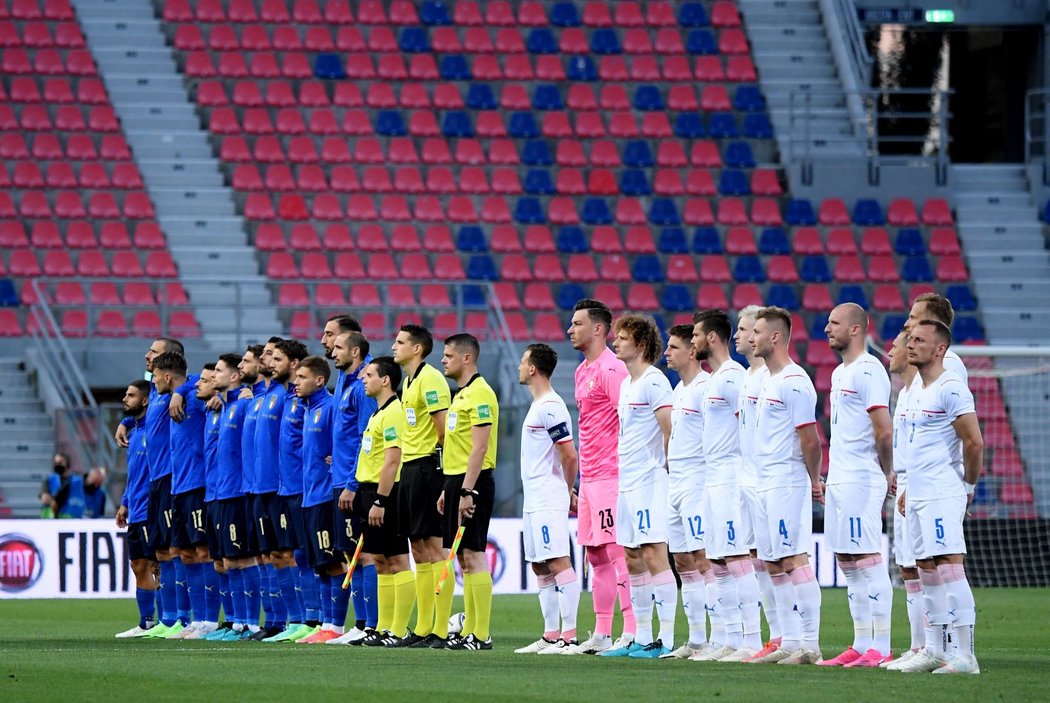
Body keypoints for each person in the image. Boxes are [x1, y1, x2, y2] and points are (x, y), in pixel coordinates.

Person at [893, 320, 984, 675]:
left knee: (949, 567)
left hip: (943, 491)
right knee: (925, 569)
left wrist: (967, 488)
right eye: (910, 339)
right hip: (917, 493)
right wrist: (909, 487)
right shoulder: (914, 390)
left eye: (919, 340)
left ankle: (966, 655)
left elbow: (973, 442)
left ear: (940, 348)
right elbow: (920, 448)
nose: (911, 344)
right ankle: (934, 648)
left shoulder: (951, 387)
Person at [819, 304, 895, 668]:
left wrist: (888, 470)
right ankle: (861, 642)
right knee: (848, 561)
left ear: (855, 329)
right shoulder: (839, 373)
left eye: (834, 323)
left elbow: (882, 428)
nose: (826, 329)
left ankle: (881, 645)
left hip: (861, 477)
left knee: (866, 557)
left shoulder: (869, 370)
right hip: (840, 475)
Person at [747, 307, 824, 665]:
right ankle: (790, 641)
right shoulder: (767, 381)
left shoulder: (794, 380)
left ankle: (810, 643)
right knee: (773, 562)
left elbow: (809, 439)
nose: (752, 338)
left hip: (786, 481)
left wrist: (813, 480)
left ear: (775, 337)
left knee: (793, 558)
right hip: (764, 481)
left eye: (758, 332)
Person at [563, 299, 636, 656]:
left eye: (577, 324)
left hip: (612, 473)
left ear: (597, 329)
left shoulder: (612, 370)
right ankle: (603, 633)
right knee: (594, 555)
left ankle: (633, 631)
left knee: (616, 551)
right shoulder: (581, 371)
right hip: (590, 476)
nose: (569, 329)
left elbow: (631, 421)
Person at [601, 314, 675, 659]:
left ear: (641, 344)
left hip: (649, 481)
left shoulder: (654, 381)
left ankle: (667, 639)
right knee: (632, 557)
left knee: (653, 555)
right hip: (627, 482)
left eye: (622, 338)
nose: (615, 342)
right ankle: (641, 637)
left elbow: (669, 429)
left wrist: (666, 469)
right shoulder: (628, 384)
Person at [692, 310, 763, 662]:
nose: (692, 342)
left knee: (736, 557)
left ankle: (751, 638)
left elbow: (747, 427)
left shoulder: (733, 377)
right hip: (713, 478)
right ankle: (729, 638)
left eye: (696, 335)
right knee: (717, 561)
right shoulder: (715, 378)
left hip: (732, 476)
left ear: (712, 338)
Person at [513, 344, 581, 654]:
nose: (519, 366)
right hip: (534, 497)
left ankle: (570, 636)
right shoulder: (538, 404)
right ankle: (551, 634)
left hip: (548, 495)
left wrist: (567, 491)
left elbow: (569, 455)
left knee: (556, 559)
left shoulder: (551, 406)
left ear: (533, 369)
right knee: (540, 565)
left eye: (523, 361)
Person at [391, 323, 453, 648]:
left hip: (428, 467)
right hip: (410, 468)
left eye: (400, 342)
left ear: (417, 348)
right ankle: (424, 625)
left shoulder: (431, 379)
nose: (393, 346)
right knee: (418, 548)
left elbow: (442, 429)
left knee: (433, 546)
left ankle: (440, 629)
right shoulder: (408, 381)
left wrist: (440, 473)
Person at [438, 334, 499, 651]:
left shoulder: (480, 394)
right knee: (462, 556)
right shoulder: (461, 396)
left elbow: (480, 447)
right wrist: (449, 488)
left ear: (466, 358)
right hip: (456, 481)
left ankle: (480, 633)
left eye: (448, 355)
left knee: (474, 554)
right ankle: (470, 631)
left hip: (472, 482)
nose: (443, 360)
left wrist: (467, 490)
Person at [152, 352, 218, 640]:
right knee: (186, 553)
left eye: (155, 376)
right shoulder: (172, 398)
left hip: (198, 484)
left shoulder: (194, 395)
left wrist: (181, 391)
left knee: (203, 551)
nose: (153, 382)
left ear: (168, 376)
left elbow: (201, 383)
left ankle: (210, 621)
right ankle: (197, 618)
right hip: (178, 488)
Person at [656, 325, 711, 660]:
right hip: (675, 483)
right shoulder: (679, 390)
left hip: (697, 483)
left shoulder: (706, 388)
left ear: (692, 351)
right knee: (682, 561)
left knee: (703, 559)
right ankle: (696, 639)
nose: (667, 353)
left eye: (673, 347)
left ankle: (719, 637)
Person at [354, 357, 415, 647]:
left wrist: (381, 499)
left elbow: (393, 459)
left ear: (386, 380)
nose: (363, 379)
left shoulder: (393, 413)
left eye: (369, 375)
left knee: (397, 559)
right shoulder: (377, 414)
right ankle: (384, 626)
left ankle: (399, 629)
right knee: (379, 560)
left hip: (384, 494)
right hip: (369, 493)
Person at [260, 339, 316, 643]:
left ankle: (315, 619)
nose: (270, 362)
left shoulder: (304, 400)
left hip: (302, 488)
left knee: (304, 555)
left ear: (294, 364)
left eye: (276, 358)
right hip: (281, 488)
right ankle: (293, 620)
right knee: (284, 554)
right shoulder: (279, 396)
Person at [322, 331, 376, 645]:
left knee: (364, 554)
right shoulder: (346, 380)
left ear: (354, 351)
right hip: (340, 478)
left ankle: (369, 624)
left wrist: (353, 483)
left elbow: (366, 438)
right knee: (349, 554)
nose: (332, 349)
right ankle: (362, 624)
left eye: (338, 345)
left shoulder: (362, 384)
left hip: (352, 483)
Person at [734, 305, 780, 661]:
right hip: (745, 477)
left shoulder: (771, 377)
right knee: (755, 559)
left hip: (768, 480)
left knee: (775, 557)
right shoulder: (748, 377)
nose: (742, 335)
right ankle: (771, 635)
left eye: (747, 329)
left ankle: (785, 635)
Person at [294, 355, 349, 644]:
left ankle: (336, 626)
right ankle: (326, 623)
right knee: (318, 563)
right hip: (309, 497)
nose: (295, 383)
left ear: (318, 380)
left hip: (326, 495)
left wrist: (334, 464)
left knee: (332, 562)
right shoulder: (307, 409)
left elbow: (340, 445)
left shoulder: (328, 408)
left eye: (301, 377)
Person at [209, 352, 263, 641]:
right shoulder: (223, 407)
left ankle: (249, 622)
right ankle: (235, 621)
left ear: (233, 377)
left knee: (242, 559)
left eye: (218, 371)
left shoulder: (243, 405)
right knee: (226, 562)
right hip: (220, 492)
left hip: (238, 492)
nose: (212, 376)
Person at [883, 331, 927, 669]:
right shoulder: (905, 392)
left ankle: (943, 646)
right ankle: (918, 646)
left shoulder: (926, 391)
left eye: (896, 345)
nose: (892, 351)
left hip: (923, 485)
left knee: (932, 567)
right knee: (908, 567)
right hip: (904, 485)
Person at [249, 336, 290, 640]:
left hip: (279, 487)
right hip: (256, 487)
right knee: (267, 555)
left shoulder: (284, 394)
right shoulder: (256, 397)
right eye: (265, 355)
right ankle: (274, 620)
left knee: (287, 553)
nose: (267, 360)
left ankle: (298, 619)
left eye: (273, 356)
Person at [115, 380, 156, 638]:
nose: (124, 399)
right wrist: (125, 502)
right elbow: (135, 475)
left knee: (158, 565)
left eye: (130, 395)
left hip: (153, 509)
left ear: (145, 400)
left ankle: (171, 621)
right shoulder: (135, 431)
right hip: (136, 508)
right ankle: (147, 623)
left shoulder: (154, 429)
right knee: (138, 565)